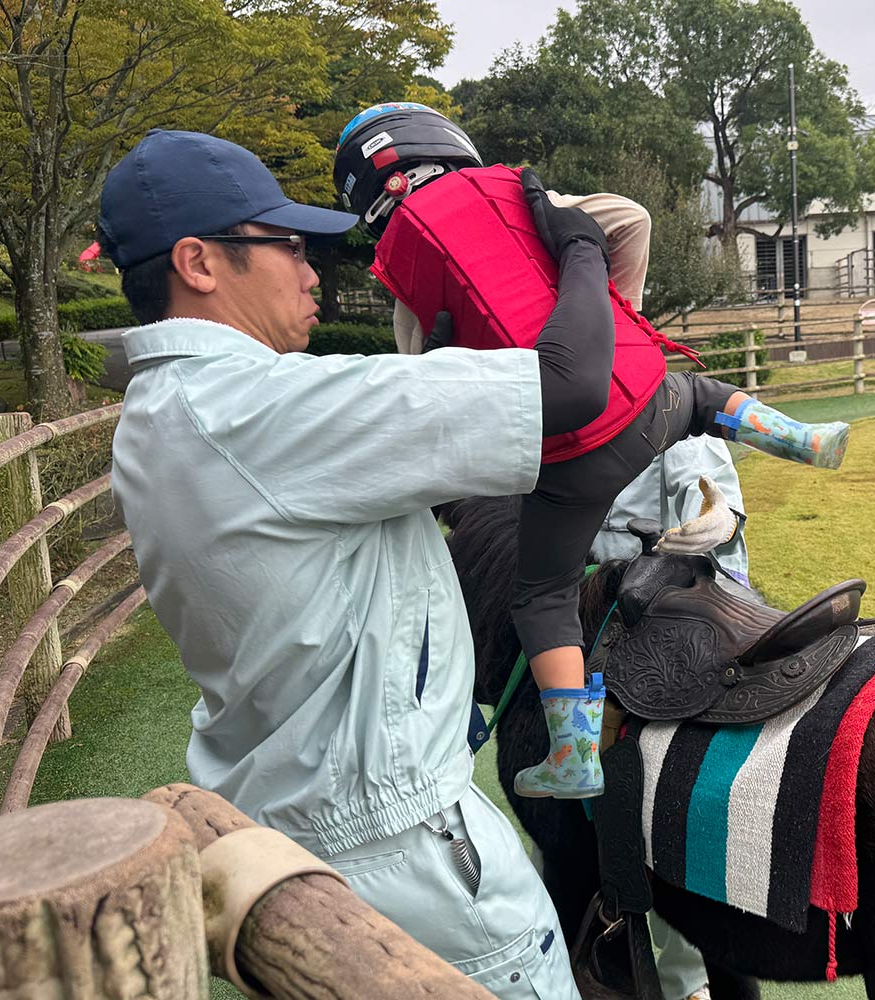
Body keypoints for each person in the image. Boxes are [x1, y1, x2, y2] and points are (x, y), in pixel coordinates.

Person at [100, 129, 598, 999]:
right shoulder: (268, 406)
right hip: (406, 851)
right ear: (198, 263)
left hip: (288, 836)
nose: (311, 272)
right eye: (286, 245)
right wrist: (582, 247)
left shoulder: (156, 417)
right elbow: (574, 384)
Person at [334, 102, 849, 801]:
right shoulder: (524, 208)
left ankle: (573, 753)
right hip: (633, 425)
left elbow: (435, 421)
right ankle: (803, 439)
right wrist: (602, 310)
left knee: (542, 599)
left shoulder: (411, 295)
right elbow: (629, 218)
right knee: (696, 399)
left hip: (575, 488)